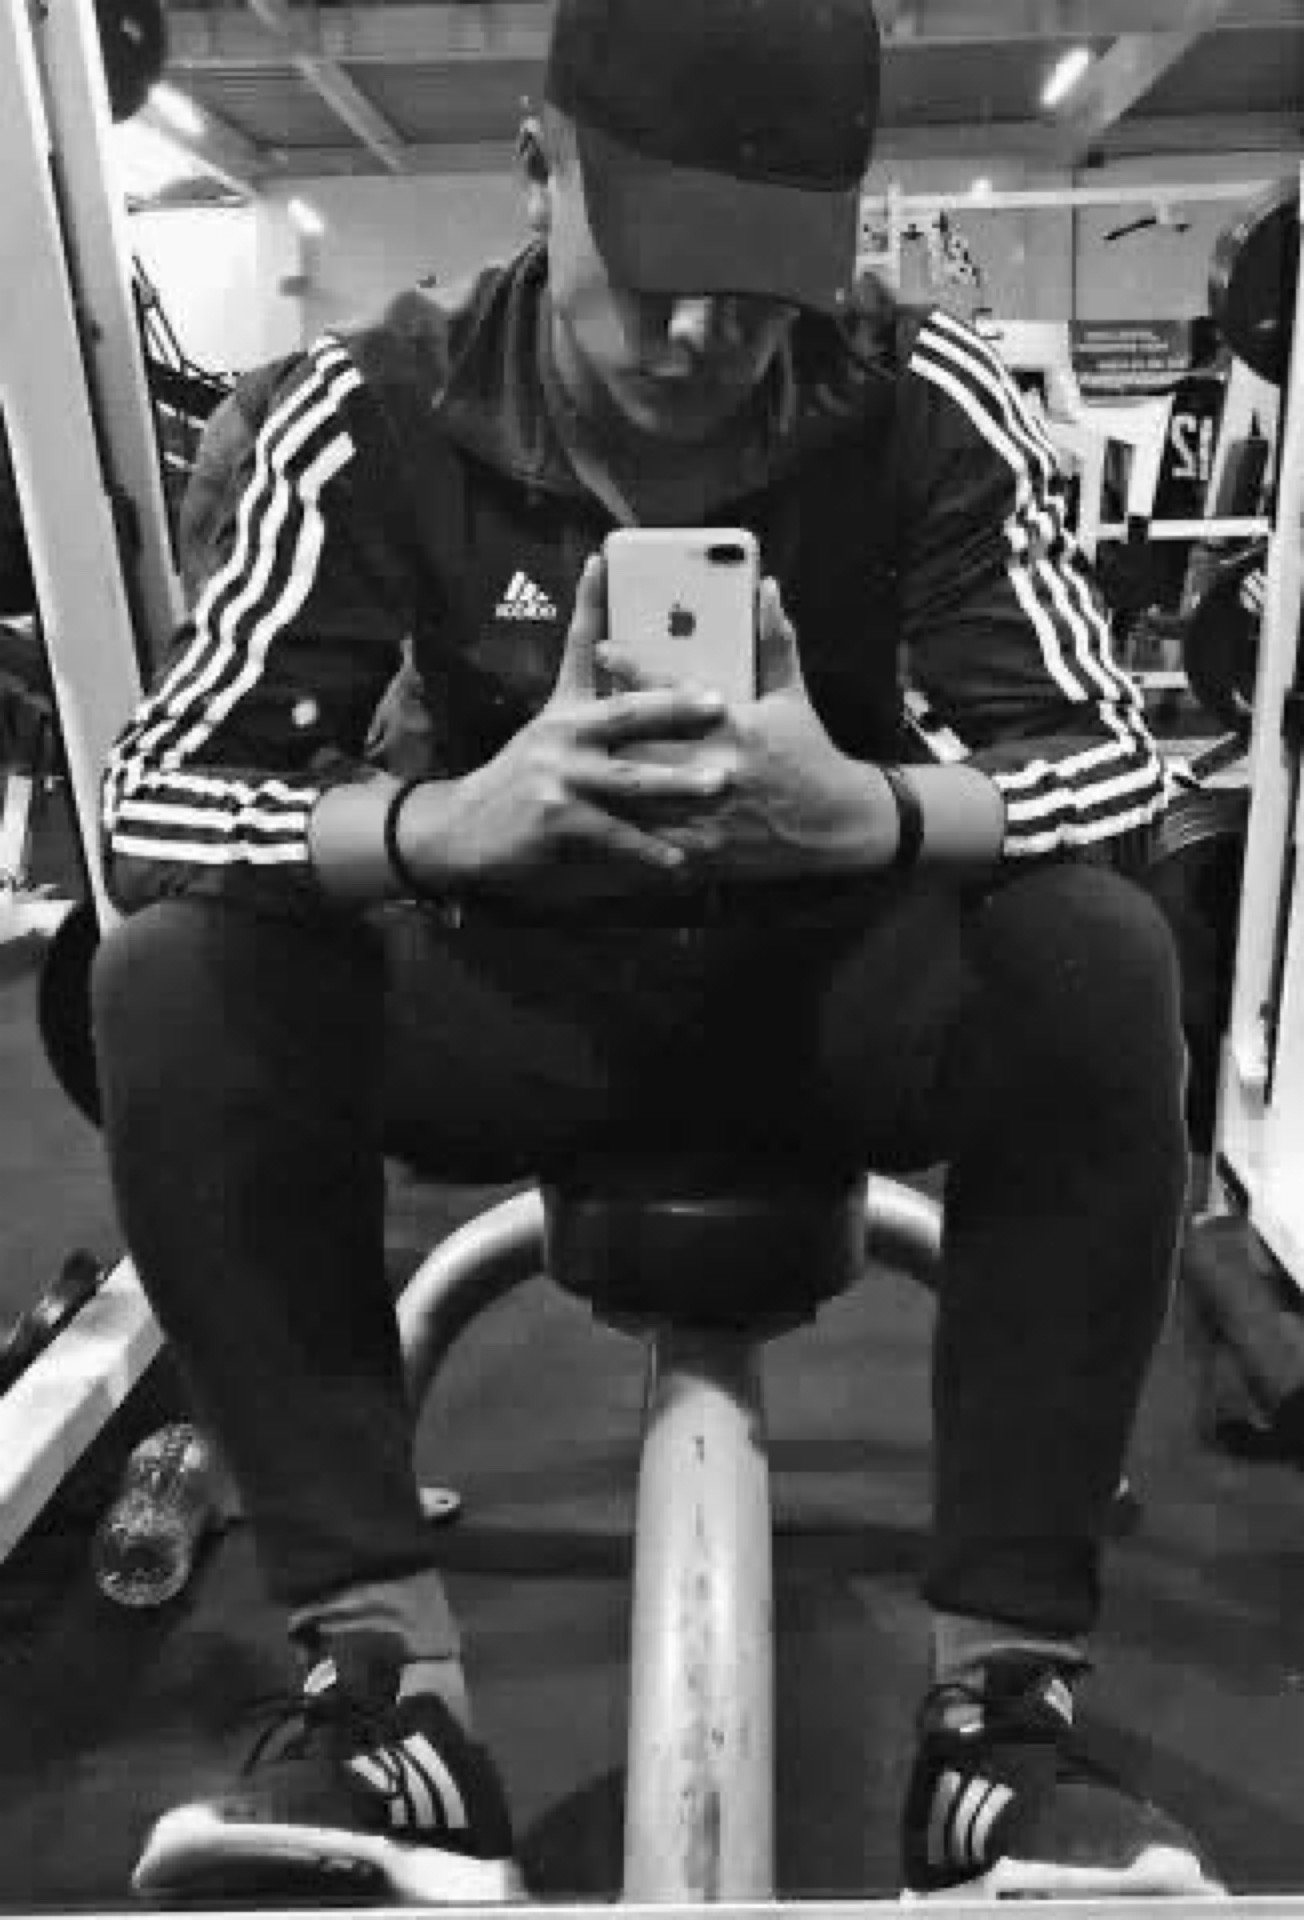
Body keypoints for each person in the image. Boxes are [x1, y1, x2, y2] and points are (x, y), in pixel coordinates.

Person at [91, 0, 1221, 1900]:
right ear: (542, 172)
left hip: (831, 998)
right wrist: (446, 827)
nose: (705, 336)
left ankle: (1000, 1730)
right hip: (514, 996)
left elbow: (1117, 761)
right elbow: (152, 802)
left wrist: (869, 814)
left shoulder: (923, 399)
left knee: (1100, 949)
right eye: (665, 271)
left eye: (761, 287)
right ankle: (384, 1701)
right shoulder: (364, 415)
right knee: (174, 980)